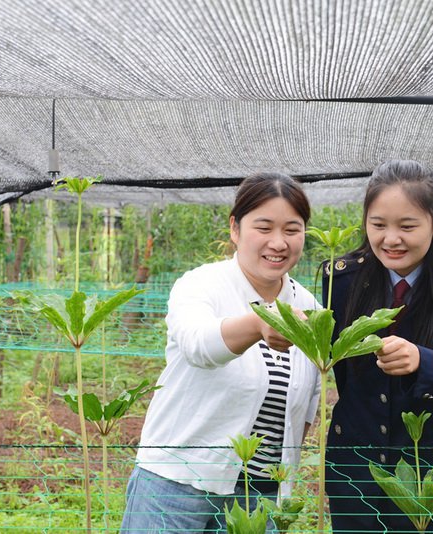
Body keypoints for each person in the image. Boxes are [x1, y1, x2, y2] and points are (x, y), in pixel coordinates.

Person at [121, 173, 321, 533]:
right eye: (264, 227)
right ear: (235, 228)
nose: (278, 242)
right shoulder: (202, 284)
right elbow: (199, 345)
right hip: (177, 483)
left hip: (259, 495)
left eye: (292, 230)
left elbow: (307, 402)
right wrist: (259, 323)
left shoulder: (308, 305)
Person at [323, 160, 433, 533]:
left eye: (407, 226)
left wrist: (423, 361)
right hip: (357, 461)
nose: (391, 239)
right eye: (378, 225)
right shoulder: (340, 280)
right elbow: (324, 350)